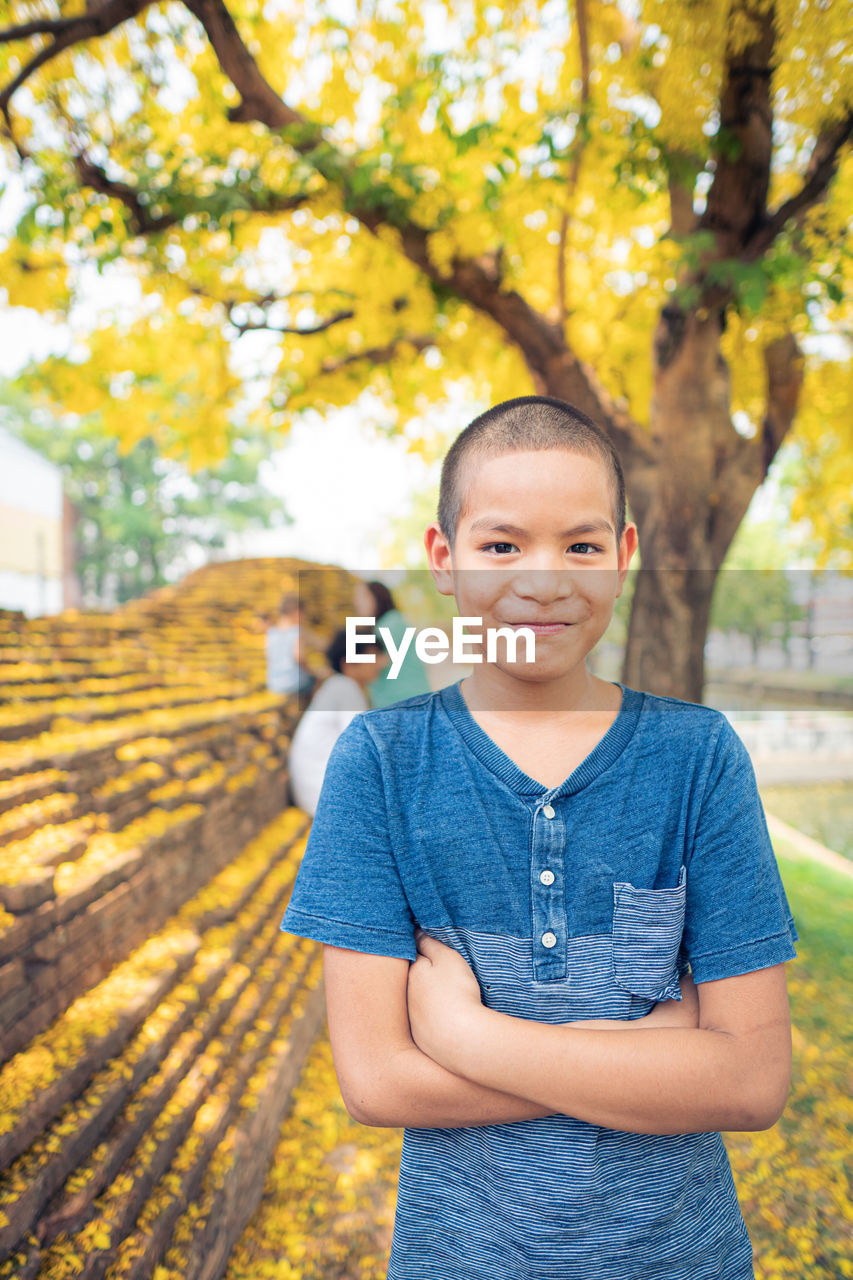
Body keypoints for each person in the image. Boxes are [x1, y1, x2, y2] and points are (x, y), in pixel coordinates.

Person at [280, 394, 798, 1279]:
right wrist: (658, 1053)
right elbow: (374, 1081)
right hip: (458, 1258)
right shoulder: (381, 762)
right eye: (502, 544)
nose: (544, 579)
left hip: (682, 1257)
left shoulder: (696, 758)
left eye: (582, 545)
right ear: (444, 561)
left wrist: (463, 1035)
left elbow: (751, 1083)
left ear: (624, 558)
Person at [287, 626, 388, 817]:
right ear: (348, 663)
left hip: (316, 786)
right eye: (371, 656)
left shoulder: (338, 686)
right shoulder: (345, 688)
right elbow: (363, 749)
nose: (381, 663)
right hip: (321, 792)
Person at [353, 578, 433, 708]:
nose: (356, 603)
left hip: (406, 703)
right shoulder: (388, 623)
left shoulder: (391, 622)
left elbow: (377, 662)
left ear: (376, 597)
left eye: (362, 597)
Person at [265, 593, 317, 698]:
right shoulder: (297, 631)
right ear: (297, 613)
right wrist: (313, 672)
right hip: (294, 684)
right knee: (319, 681)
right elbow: (299, 656)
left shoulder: (271, 632)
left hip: (274, 684)